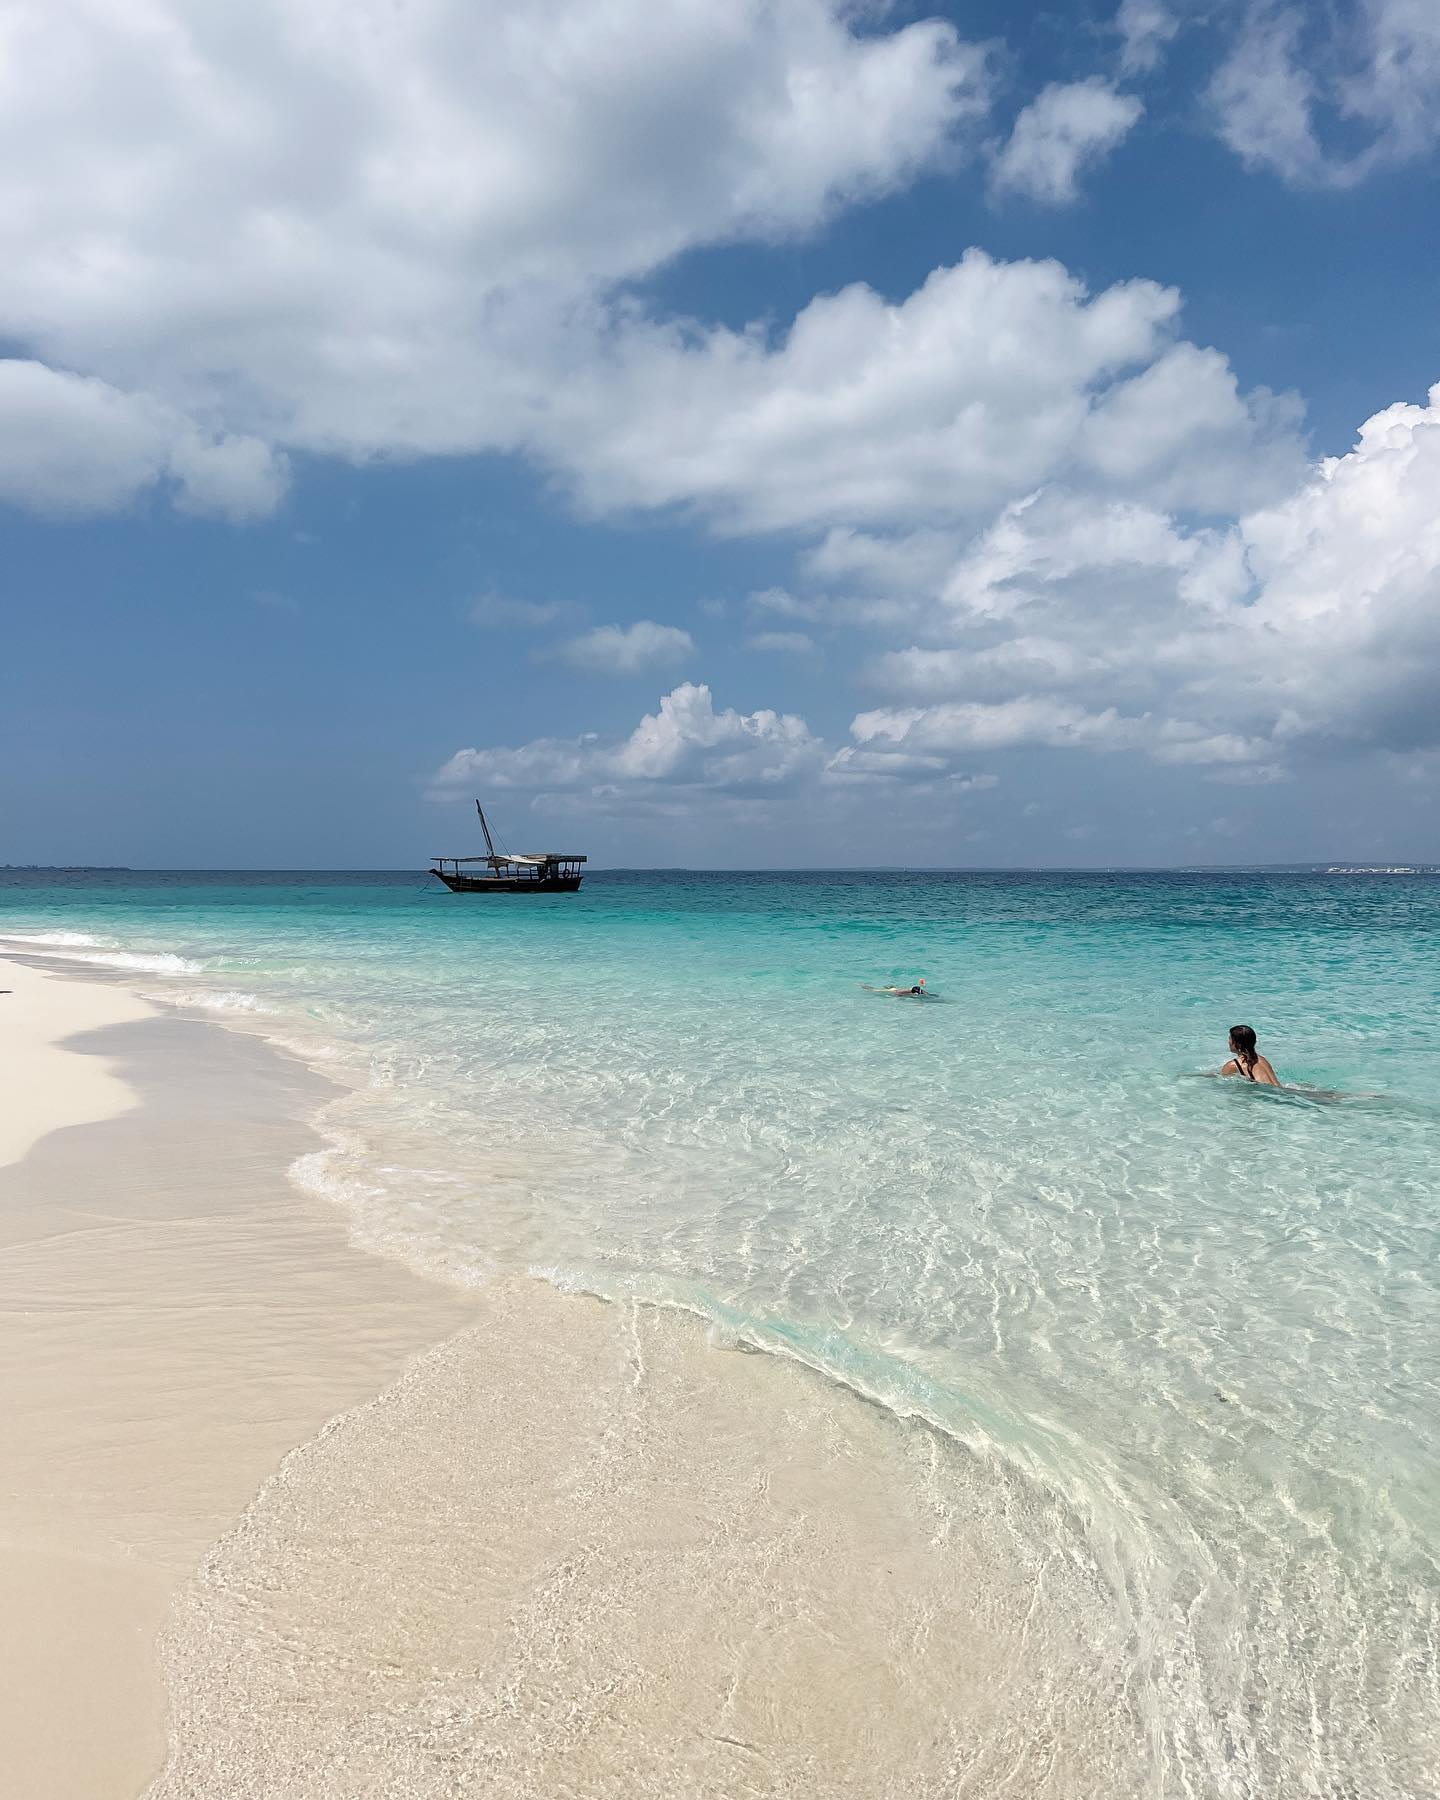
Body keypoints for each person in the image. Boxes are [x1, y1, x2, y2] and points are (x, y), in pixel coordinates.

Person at [862, 978, 930, 998]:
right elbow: (899, 993)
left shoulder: (893, 989)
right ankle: (864, 986)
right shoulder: (899, 989)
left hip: (907, 990)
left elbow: (924, 992)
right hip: (897, 991)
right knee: (874, 990)